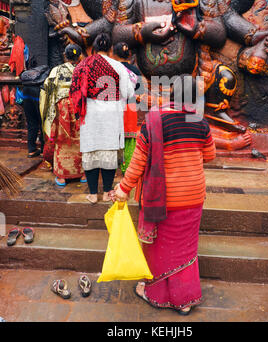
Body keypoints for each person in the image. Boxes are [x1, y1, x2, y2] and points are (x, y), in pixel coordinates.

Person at [113, 75, 216, 315]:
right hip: (193, 195)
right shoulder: (200, 120)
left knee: (159, 247)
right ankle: (185, 300)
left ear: (171, 94)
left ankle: (155, 292)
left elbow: (138, 163)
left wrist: (123, 189)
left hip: (163, 198)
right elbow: (210, 156)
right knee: (186, 250)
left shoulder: (154, 120)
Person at [70, 32, 135, 204]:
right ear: (110, 48)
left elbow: (75, 90)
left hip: (89, 113)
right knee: (108, 152)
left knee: (90, 150)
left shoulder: (83, 65)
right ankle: (106, 192)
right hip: (111, 113)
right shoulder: (119, 67)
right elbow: (127, 92)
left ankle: (92, 193)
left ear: (94, 48)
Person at [40, 44, 84, 187]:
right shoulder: (82, 70)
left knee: (62, 140)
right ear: (79, 57)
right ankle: (82, 173)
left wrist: (48, 112)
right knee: (80, 139)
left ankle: (63, 177)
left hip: (62, 108)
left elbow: (48, 89)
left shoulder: (56, 70)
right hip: (78, 106)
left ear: (65, 55)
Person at [112, 42, 143, 174]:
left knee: (113, 138)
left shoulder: (112, 69)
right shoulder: (135, 71)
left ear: (114, 54)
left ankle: (111, 167)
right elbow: (140, 91)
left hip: (114, 107)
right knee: (130, 140)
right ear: (129, 54)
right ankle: (128, 169)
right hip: (130, 108)